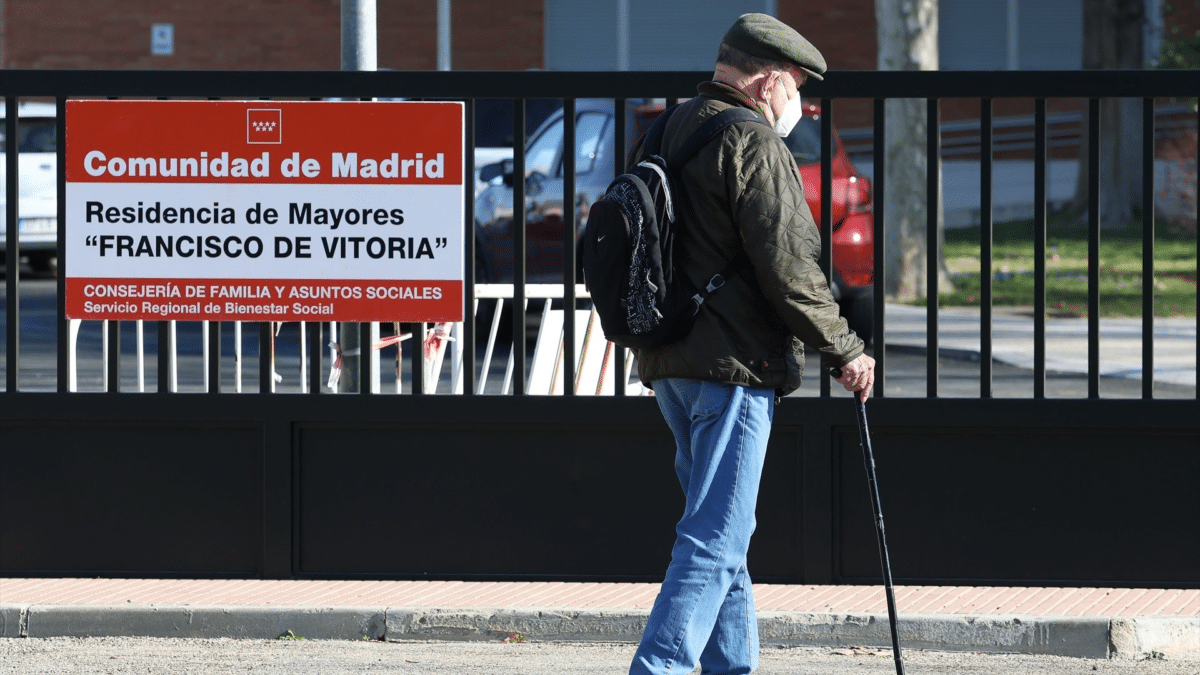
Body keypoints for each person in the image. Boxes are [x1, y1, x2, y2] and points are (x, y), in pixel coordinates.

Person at [628, 13, 876, 675]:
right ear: (768, 82)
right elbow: (791, 264)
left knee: (725, 536)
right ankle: (660, 667)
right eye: (795, 87)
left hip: (670, 366)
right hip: (733, 369)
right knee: (714, 537)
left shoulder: (668, 128)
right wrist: (846, 348)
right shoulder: (755, 143)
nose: (798, 102)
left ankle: (730, 667)